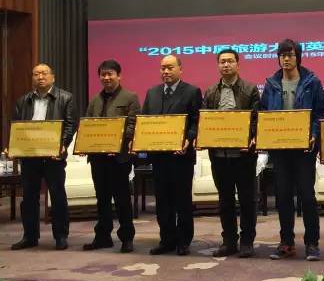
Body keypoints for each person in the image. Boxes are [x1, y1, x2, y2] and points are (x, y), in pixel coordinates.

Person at [260, 39, 324, 261]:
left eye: (290, 55)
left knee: (307, 196)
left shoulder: (312, 82)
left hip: (304, 150)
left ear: (298, 57)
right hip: (280, 150)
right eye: (282, 55)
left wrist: (314, 133)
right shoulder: (271, 83)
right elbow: (263, 113)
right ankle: (286, 242)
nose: (286, 59)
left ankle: (312, 243)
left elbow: (319, 112)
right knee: (283, 196)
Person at [10, 64, 78, 251]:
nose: (40, 77)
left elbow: (70, 125)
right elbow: (16, 126)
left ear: (52, 77)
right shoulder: (23, 101)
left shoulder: (66, 98)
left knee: (57, 196)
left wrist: (63, 145)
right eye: (36, 74)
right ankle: (30, 236)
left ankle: (61, 236)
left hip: (53, 156)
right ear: (32, 77)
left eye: (44, 73)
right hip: (30, 156)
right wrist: (14, 146)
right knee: (29, 198)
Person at [141, 55, 202, 256]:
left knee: (182, 201)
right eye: (162, 68)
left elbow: (197, 121)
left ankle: (184, 241)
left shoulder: (192, 91)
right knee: (163, 201)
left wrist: (189, 139)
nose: (165, 71)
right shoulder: (152, 93)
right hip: (159, 157)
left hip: (181, 156)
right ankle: (166, 239)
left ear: (180, 69)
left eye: (170, 67)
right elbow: (145, 121)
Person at [201, 49, 260, 258]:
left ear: (238, 64)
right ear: (218, 65)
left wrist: (251, 138)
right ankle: (229, 241)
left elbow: (256, 119)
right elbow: (205, 120)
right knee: (225, 201)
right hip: (219, 156)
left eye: (230, 61)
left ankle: (247, 241)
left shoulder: (250, 89)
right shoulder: (210, 92)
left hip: (243, 156)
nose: (226, 65)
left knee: (247, 200)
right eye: (222, 62)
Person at [83, 60, 140, 254]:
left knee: (122, 199)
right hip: (98, 158)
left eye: (110, 74)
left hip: (119, 159)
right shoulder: (95, 100)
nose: (106, 78)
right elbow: (88, 125)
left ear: (119, 75)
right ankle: (103, 237)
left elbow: (133, 125)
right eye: (103, 74)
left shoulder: (130, 97)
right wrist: (85, 144)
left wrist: (116, 144)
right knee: (102, 199)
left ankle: (127, 238)